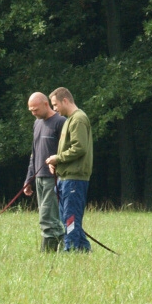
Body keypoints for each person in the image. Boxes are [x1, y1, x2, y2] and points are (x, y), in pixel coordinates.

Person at [45, 87, 93, 253]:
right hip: (65, 177)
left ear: (65, 100)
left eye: (55, 104)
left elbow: (79, 148)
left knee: (70, 218)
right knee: (66, 218)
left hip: (75, 178)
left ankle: (70, 250)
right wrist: (56, 163)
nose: (55, 109)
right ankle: (84, 250)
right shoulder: (69, 120)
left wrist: (57, 158)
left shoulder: (78, 119)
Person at [23, 92, 66, 252]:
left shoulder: (60, 122)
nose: (33, 113)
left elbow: (67, 151)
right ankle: (58, 250)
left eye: (35, 109)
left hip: (54, 178)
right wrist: (29, 179)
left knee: (47, 217)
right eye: (31, 110)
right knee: (46, 216)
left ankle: (53, 251)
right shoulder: (37, 123)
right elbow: (34, 154)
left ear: (46, 104)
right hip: (39, 178)